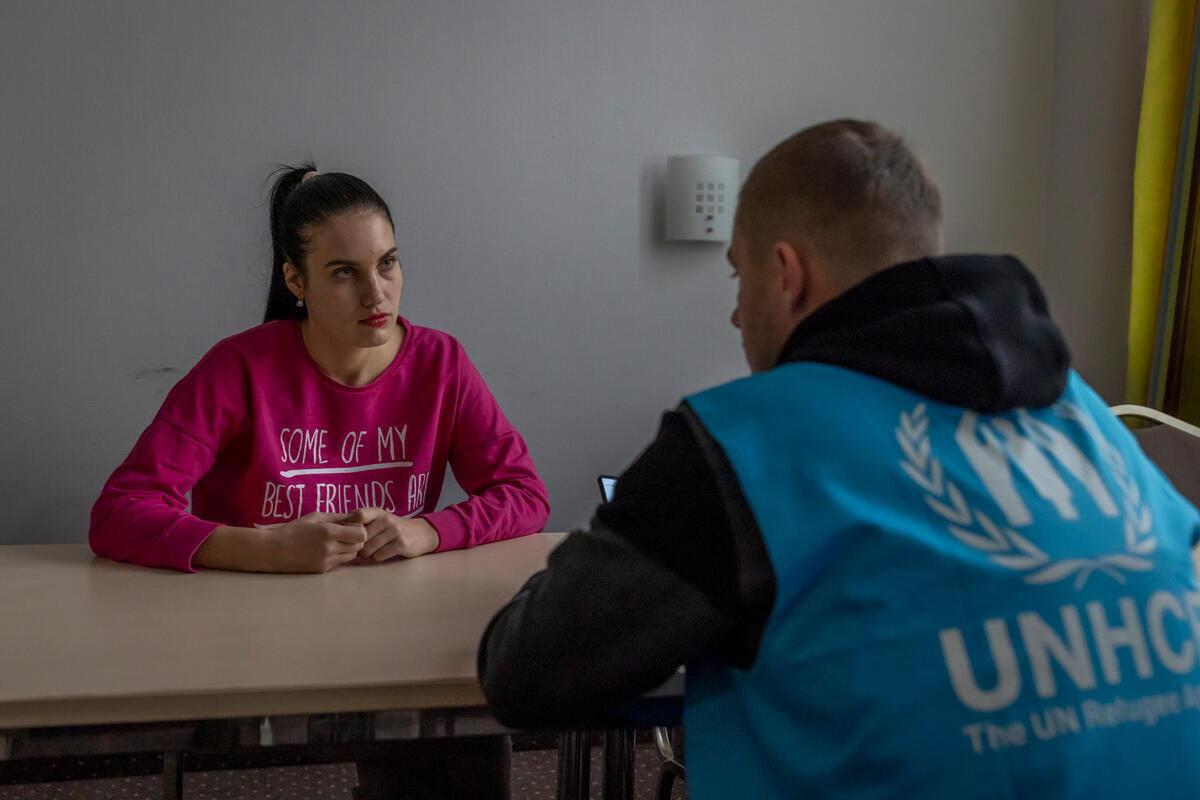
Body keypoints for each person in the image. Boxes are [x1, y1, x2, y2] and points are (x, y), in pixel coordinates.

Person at [477, 120, 1200, 798]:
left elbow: (528, 670)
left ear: (787, 273)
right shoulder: (1086, 418)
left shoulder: (742, 443)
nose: (736, 315)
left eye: (738, 278)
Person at [91, 163, 549, 799]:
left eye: (388, 264)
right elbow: (119, 512)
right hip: (252, 642)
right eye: (345, 273)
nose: (376, 294)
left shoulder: (440, 362)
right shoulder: (239, 367)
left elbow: (523, 493)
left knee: (465, 740)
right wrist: (263, 547)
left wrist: (428, 531)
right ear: (294, 280)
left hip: (392, 637)